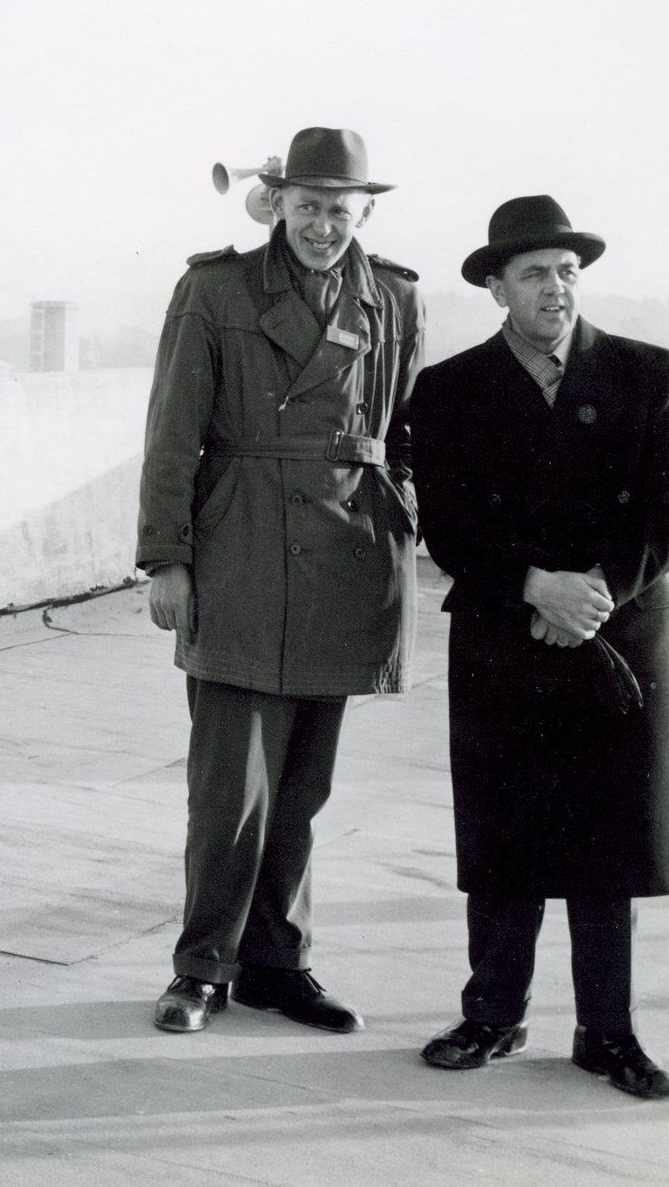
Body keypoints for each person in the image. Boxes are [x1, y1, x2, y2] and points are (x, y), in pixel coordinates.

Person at [137, 126, 423, 1035]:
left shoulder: (398, 300)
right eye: (308, 208)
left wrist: (408, 535)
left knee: (303, 789)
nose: (323, 227)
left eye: (340, 211)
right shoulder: (214, 289)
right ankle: (201, 968)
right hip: (242, 550)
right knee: (231, 792)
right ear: (279, 205)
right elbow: (172, 430)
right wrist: (168, 558)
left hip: (348, 558)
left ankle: (278, 962)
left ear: (363, 212)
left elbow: (408, 431)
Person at [410, 196, 669, 1098]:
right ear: (495, 289)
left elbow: (662, 511)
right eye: (533, 273)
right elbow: (444, 524)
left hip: (619, 638)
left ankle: (608, 1033)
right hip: (501, 635)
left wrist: (593, 596)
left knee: (609, 843)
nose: (555, 288)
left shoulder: (650, 375)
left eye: (566, 270)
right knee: (505, 835)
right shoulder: (445, 391)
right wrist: (534, 586)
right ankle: (492, 1016)